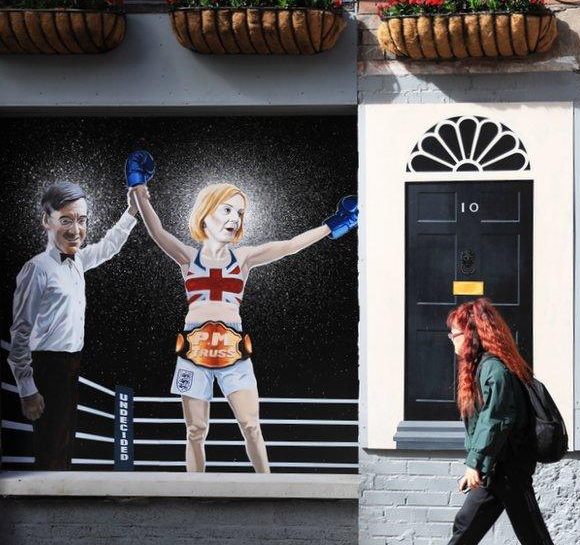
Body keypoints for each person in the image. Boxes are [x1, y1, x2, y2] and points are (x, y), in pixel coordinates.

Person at [132, 173, 357, 473]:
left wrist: (333, 224)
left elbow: (290, 245)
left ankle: (267, 488)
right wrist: (138, 190)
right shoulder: (188, 257)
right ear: (205, 213)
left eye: (239, 212)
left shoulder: (244, 258)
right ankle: (196, 494)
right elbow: (157, 231)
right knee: (195, 430)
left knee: (251, 425)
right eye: (227, 209)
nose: (235, 218)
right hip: (193, 352)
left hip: (233, 350)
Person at [400, 298, 580, 545]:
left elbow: (495, 421)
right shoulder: (488, 366)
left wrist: (475, 464)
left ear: (470, 335)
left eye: (454, 334)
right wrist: (478, 464)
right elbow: (489, 422)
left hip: (507, 469)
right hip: (498, 468)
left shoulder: (493, 369)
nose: (451, 341)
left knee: (531, 533)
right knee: (467, 525)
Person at [8, 181, 139, 470]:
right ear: (46, 220)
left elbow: (108, 247)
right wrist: (27, 389)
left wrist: (132, 210)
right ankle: (46, 514)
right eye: (65, 220)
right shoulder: (37, 269)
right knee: (51, 449)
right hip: (47, 367)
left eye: (81, 220)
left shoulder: (77, 261)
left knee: (64, 444)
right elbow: (20, 334)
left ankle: (57, 512)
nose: (75, 229)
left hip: (70, 365)